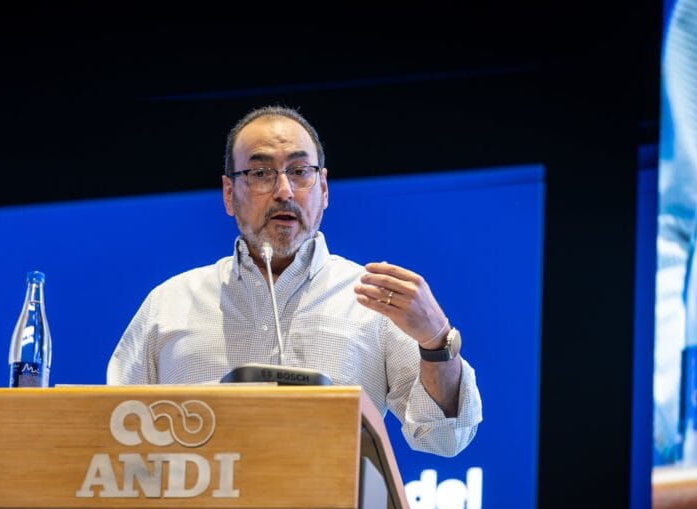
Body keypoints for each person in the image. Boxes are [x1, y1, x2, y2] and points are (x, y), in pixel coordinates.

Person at [107, 105, 482, 456]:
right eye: (260, 174)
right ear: (228, 194)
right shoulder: (170, 303)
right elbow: (113, 438)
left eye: (300, 172)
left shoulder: (373, 301)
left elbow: (445, 438)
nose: (284, 190)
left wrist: (436, 342)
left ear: (323, 189)